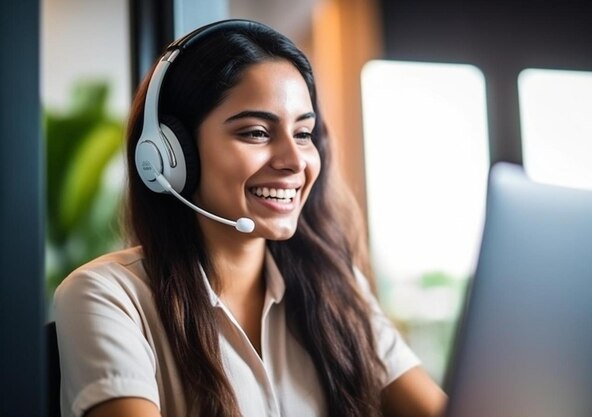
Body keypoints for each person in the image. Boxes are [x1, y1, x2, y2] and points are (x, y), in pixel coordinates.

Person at [54, 19, 447, 417]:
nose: (295, 162)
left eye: (304, 134)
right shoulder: (107, 296)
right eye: (257, 132)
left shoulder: (336, 287)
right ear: (170, 155)